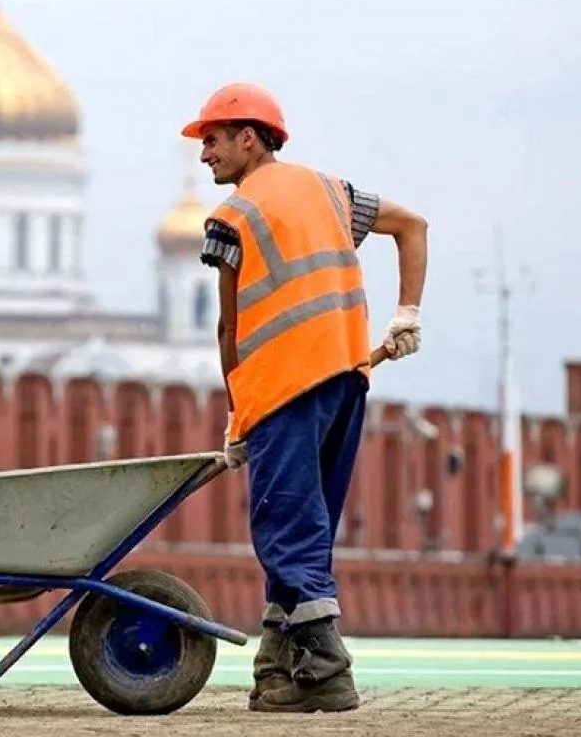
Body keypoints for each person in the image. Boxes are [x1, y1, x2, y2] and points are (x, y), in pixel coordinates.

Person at [182, 82, 428, 714]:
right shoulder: (332, 191)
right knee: (306, 529)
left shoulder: (231, 218)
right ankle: (278, 668)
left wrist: (238, 417)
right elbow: (413, 225)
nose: (204, 154)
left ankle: (326, 670)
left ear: (249, 138)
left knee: (286, 529)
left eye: (212, 140)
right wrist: (407, 313)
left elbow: (230, 329)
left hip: (284, 390)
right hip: (345, 380)